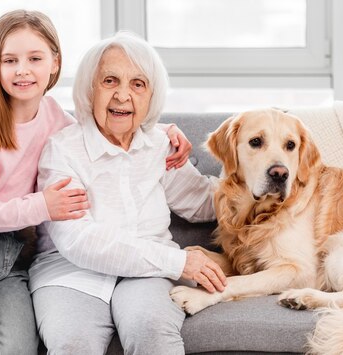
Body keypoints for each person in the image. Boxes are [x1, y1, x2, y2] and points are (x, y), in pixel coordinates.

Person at [0, 11, 191, 355]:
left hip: (10, 251)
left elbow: (100, 127)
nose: (22, 70)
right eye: (10, 60)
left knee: (19, 347)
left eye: (34, 59)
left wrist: (161, 131)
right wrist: (42, 206)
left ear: (54, 64)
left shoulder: (55, 117)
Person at [29, 31, 227, 355]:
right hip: (72, 273)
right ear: (90, 89)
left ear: (151, 97)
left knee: (151, 329)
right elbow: (79, 241)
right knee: (72, 343)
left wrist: (256, 183)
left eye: (138, 84)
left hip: (147, 276)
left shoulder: (160, 146)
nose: (123, 95)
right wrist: (178, 261)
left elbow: (202, 204)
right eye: (110, 80)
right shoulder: (62, 150)